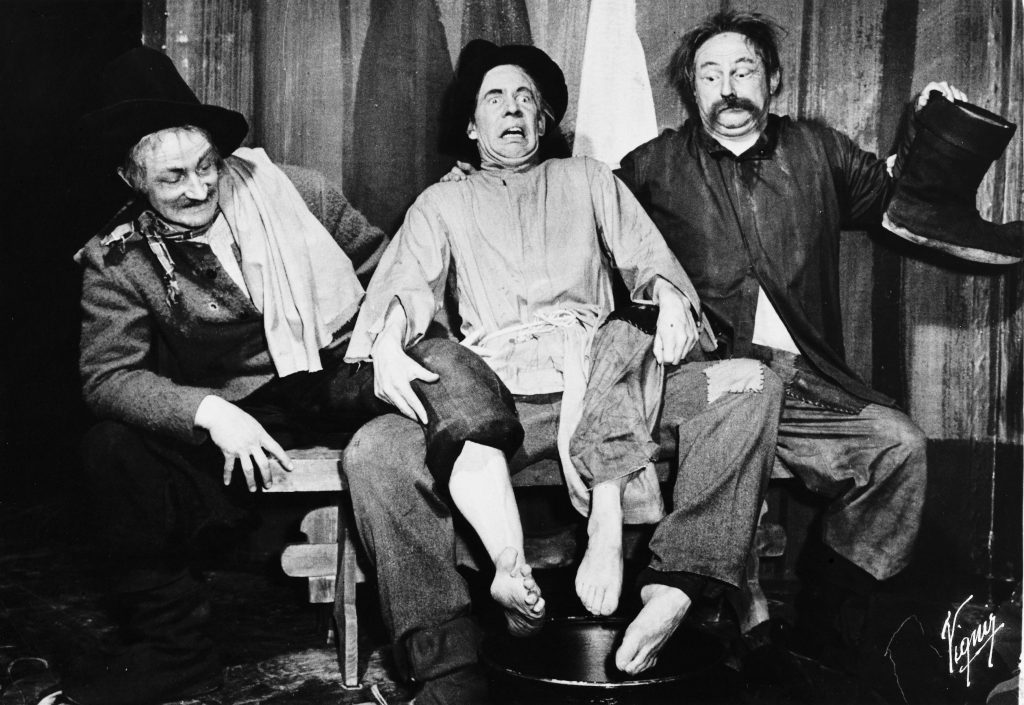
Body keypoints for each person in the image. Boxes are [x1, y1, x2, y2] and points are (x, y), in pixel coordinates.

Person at [342, 39, 785, 704]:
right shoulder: (441, 203)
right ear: (471, 126)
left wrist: (668, 295)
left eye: (527, 99)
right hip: (498, 407)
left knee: (750, 385)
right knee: (375, 451)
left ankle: (677, 587)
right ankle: (448, 667)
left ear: (544, 121)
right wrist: (387, 342)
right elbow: (406, 289)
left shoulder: (587, 179)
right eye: (496, 98)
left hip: (609, 390)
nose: (513, 109)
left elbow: (651, 262)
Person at [59, 46, 497, 705]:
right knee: (110, 449)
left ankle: (488, 581)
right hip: (246, 410)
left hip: (339, 365)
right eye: (172, 178)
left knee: (436, 371)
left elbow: (391, 270)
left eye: (206, 166)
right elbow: (107, 377)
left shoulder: (292, 190)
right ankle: (179, 649)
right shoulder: (117, 258)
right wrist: (210, 413)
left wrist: (391, 341)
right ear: (132, 177)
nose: (198, 189)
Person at [614, 9, 957, 669]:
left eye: (743, 70)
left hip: (804, 382)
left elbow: (900, 199)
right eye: (710, 75)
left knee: (900, 447)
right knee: (739, 401)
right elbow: (594, 231)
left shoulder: (819, 151)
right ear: (692, 89)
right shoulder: (654, 165)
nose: (727, 88)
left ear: (771, 79)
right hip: (704, 382)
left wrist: (933, 128)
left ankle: (827, 619)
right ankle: (711, 606)